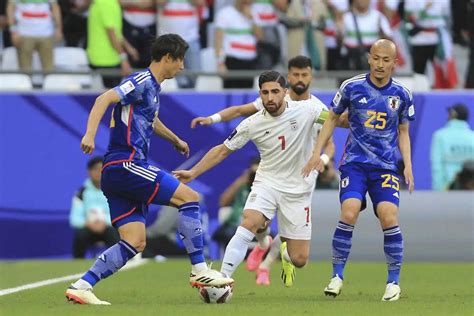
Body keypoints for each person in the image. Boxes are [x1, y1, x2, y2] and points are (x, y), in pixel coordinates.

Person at [65, 33, 233, 306]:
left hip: (115, 172)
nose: (181, 67)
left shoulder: (153, 88)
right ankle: (200, 270)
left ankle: (83, 285)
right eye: (180, 61)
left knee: (135, 241)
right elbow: (103, 99)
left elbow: (150, 119)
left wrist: (175, 139)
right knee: (190, 198)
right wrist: (89, 135)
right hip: (127, 163)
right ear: (168, 58)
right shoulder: (141, 80)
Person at [191, 55, 341, 286]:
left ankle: (269, 245)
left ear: (285, 91)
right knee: (250, 220)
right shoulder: (253, 122)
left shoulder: (310, 109)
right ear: (260, 94)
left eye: (274, 92)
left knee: (300, 259)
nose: (270, 97)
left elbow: (336, 123)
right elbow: (222, 150)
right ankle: (222, 278)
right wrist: (192, 173)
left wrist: (322, 155)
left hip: (299, 187)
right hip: (268, 181)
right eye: (265, 93)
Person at [303, 39, 415, 302]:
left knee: (389, 216)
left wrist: (408, 165)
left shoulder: (402, 94)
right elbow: (331, 117)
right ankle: (337, 276)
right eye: (376, 58)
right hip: (355, 164)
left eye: (386, 60)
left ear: (394, 63)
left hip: (385, 168)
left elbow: (403, 132)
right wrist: (317, 153)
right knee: (349, 211)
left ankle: (393, 283)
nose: (380, 64)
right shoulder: (351, 87)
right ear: (369, 58)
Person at [70, 156, 119, 258]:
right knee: (80, 236)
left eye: (101, 169)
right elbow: (74, 219)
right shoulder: (81, 193)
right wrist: (88, 223)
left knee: (115, 235)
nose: (98, 172)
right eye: (95, 169)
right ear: (89, 172)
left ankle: (118, 263)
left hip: (108, 228)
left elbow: (118, 214)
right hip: (88, 228)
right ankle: (76, 265)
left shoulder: (114, 191)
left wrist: (104, 223)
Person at [212, 157, 260, 250]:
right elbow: (223, 202)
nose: (254, 176)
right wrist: (244, 178)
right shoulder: (241, 186)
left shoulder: (265, 189)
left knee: (271, 239)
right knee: (227, 234)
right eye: (253, 173)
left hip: (255, 228)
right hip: (234, 225)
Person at [431, 104, 474, 191]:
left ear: (453, 115)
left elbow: (437, 167)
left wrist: (439, 190)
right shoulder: (472, 136)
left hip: (447, 190)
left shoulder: (440, 136)